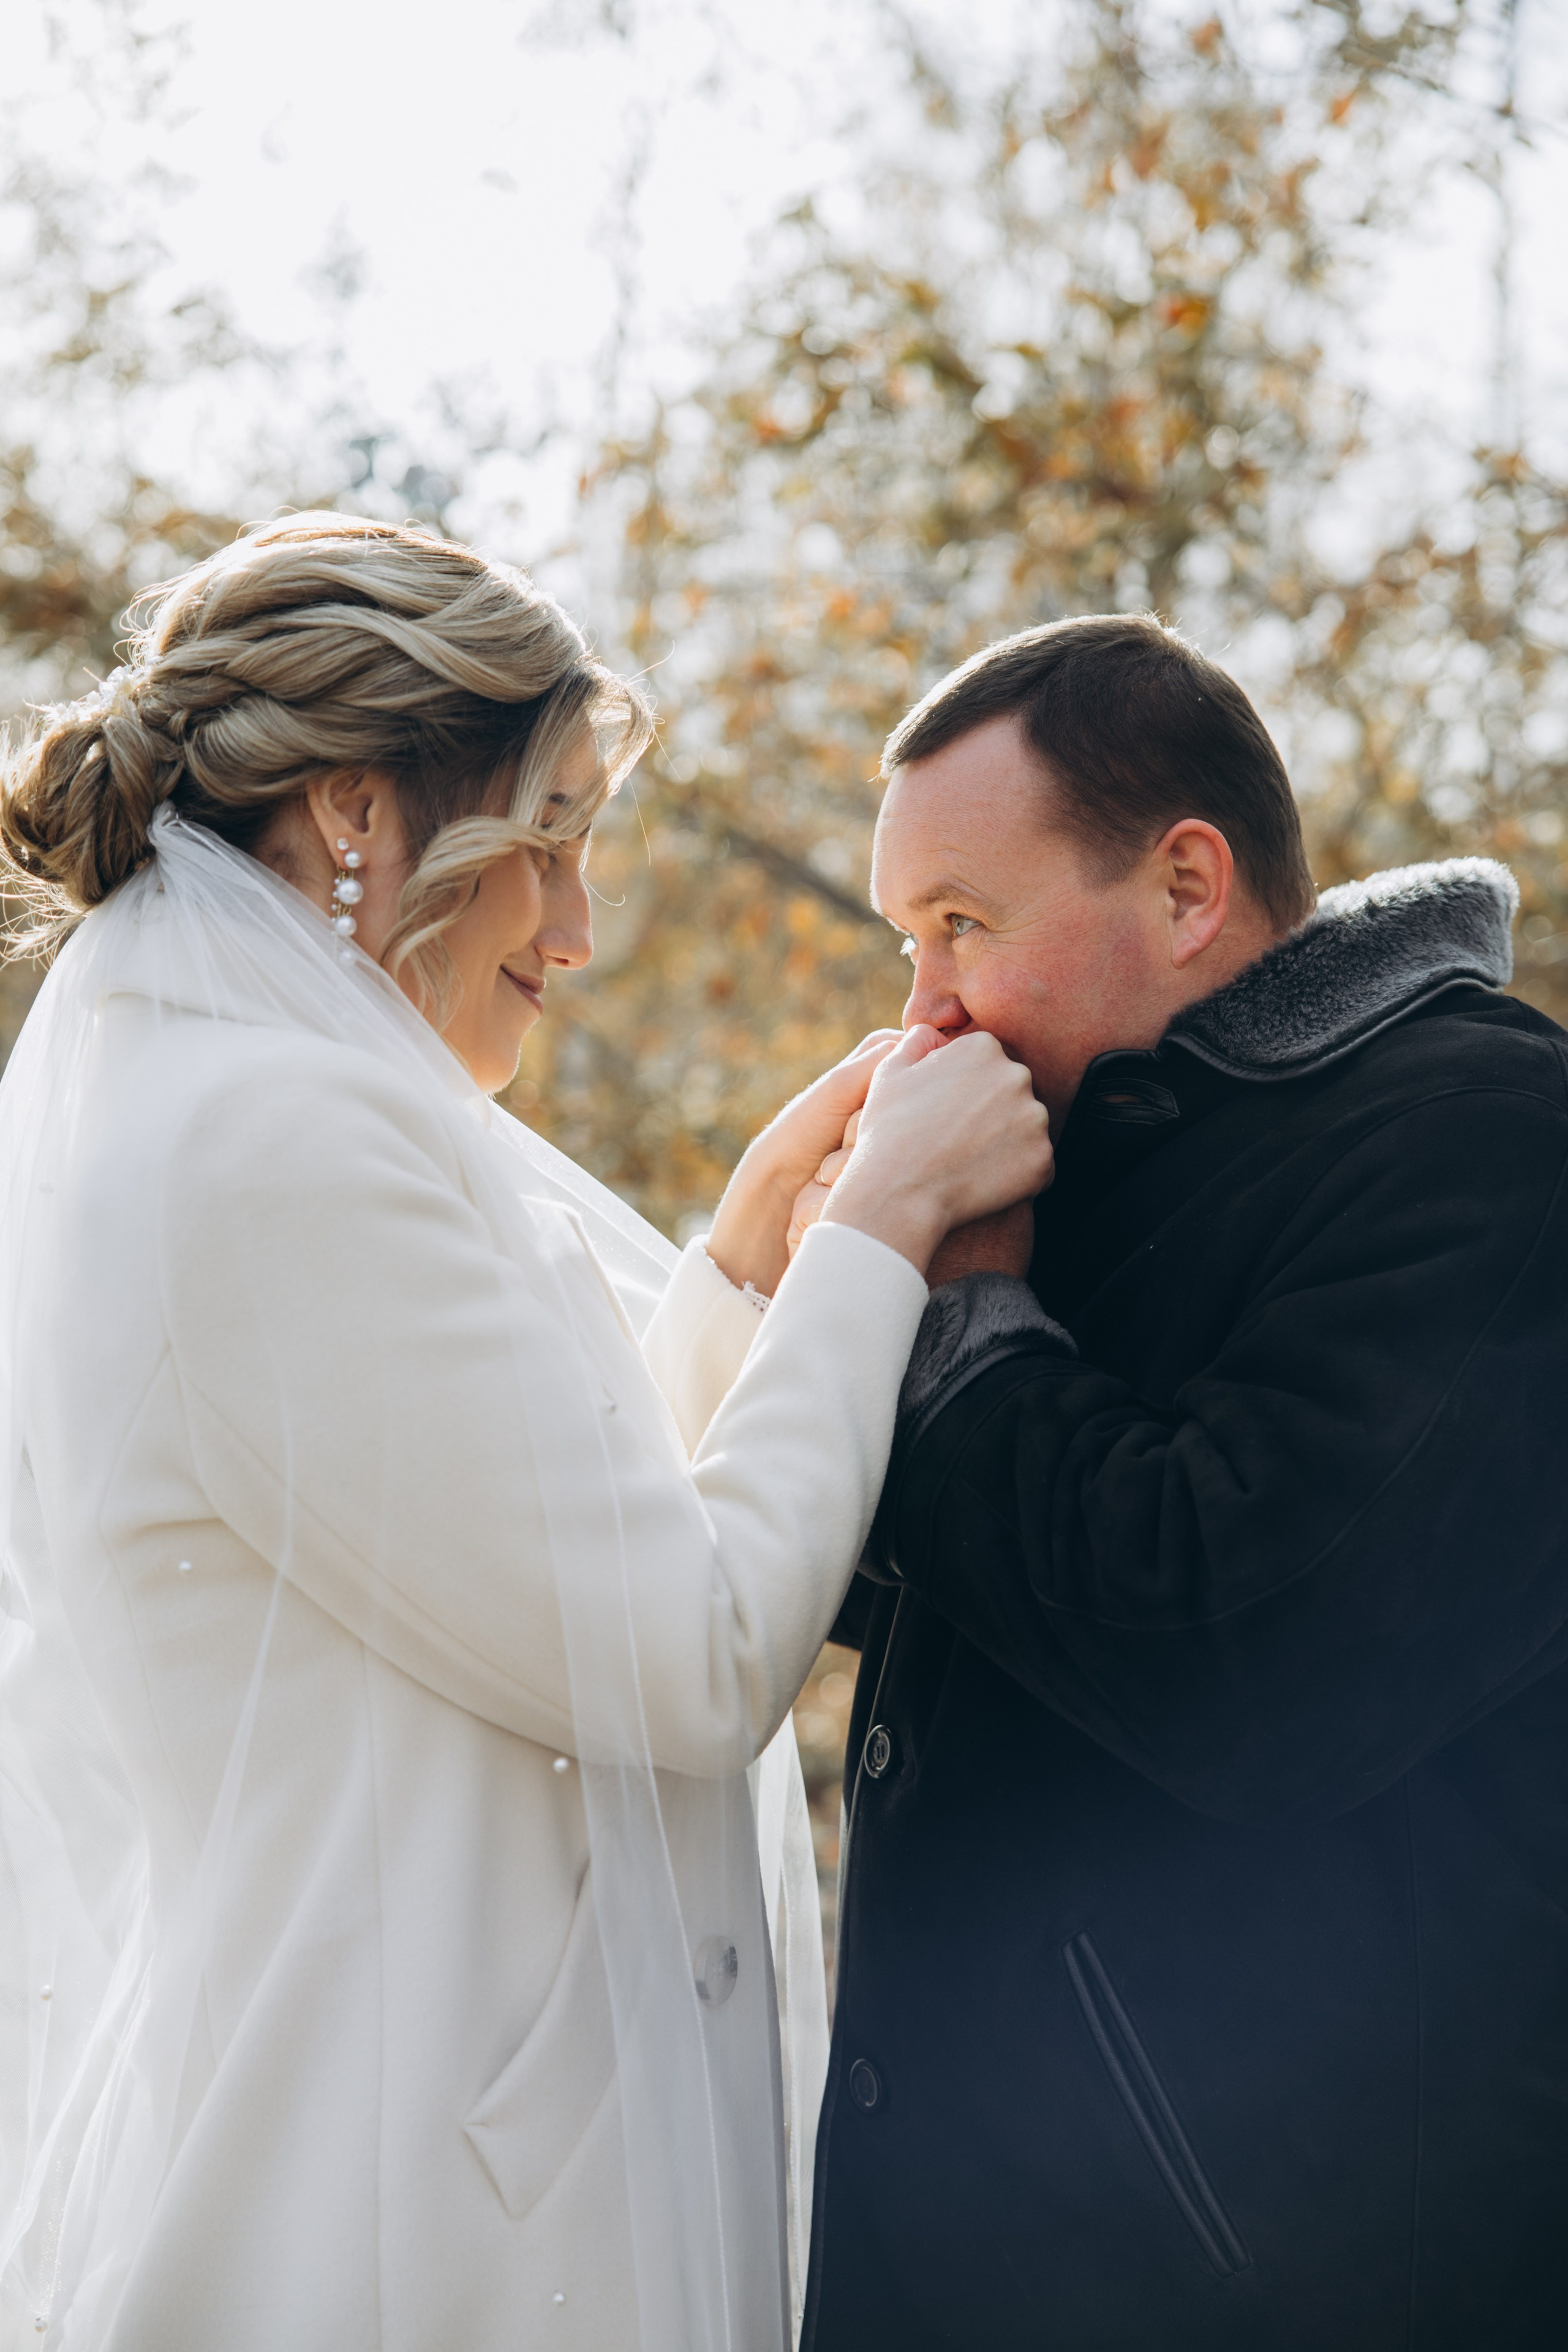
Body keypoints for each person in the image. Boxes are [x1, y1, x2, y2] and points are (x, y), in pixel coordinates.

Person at [0, 513, 1050, 2352]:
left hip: (441, 2161)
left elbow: (510, 1565)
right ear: (354, 815)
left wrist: (736, 1266)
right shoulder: (270, 1146)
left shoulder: (258, 1106)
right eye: (550, 842)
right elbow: (687, 1652)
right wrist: (878, 1240)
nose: (575, 930)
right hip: (388, 2223)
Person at [792, 613, 1568, 2352]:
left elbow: (1260, 1657)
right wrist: (812, 1280)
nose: (922, 1007)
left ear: (1189, 888)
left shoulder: (1494, 1147)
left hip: (1286, 2281)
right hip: (995, 2252)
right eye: (905, 939)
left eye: (961, 927)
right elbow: (885, 1597)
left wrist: (961, 1307)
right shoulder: (1090, 1164)